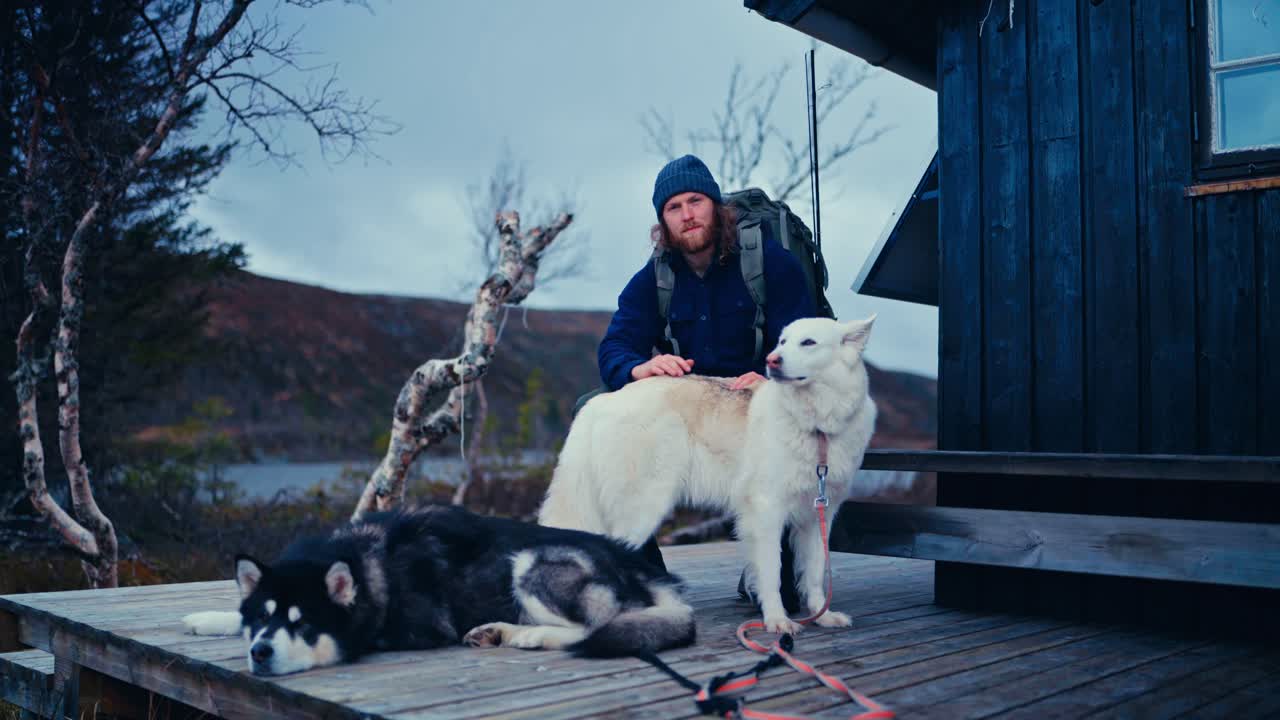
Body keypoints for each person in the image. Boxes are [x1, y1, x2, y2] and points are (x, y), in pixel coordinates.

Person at [592, 154, 816, 612]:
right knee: (593, 413)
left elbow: (804, 344)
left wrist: (774, 377)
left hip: (760, 407)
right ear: (662, 221)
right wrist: (640, 369)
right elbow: (614, 349)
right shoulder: (653, 279)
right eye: (674, 207)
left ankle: (768, 568)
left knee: (789, 602)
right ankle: (646, 578)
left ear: (716, 206)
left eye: (696, 200)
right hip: (690, 413)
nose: (687, 213)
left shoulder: (770, 262)